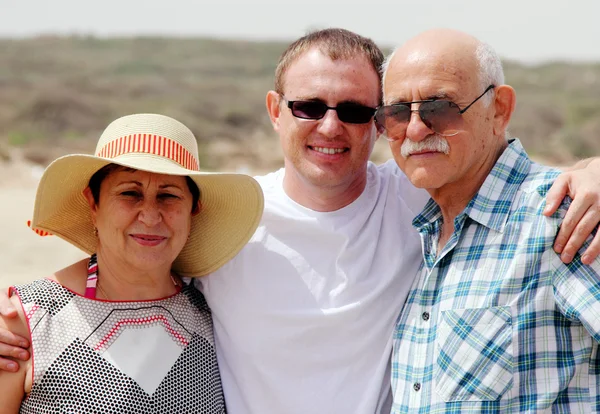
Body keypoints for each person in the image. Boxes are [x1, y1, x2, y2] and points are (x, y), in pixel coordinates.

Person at [1, 29, 600, 414]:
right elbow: (130, 253)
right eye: (310, 106)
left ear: (377, 123)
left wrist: (591, 169)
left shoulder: (421, 200)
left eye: (358, 110)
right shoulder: (225, 226)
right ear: (274, 111)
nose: (331, 126)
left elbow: (496, 177)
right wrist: (24, 312)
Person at [375, 28, 600, 412]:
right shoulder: (423, 233)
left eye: (439, 108)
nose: (415, 129)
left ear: (499, 109)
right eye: (397, 113)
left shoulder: (561, 218)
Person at [0, 113, 263, 413]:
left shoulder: (216, 316)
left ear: (194, 209)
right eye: (129, 193)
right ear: (93, 203)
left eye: (168, 195)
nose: (150, 216)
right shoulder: (24, 324)